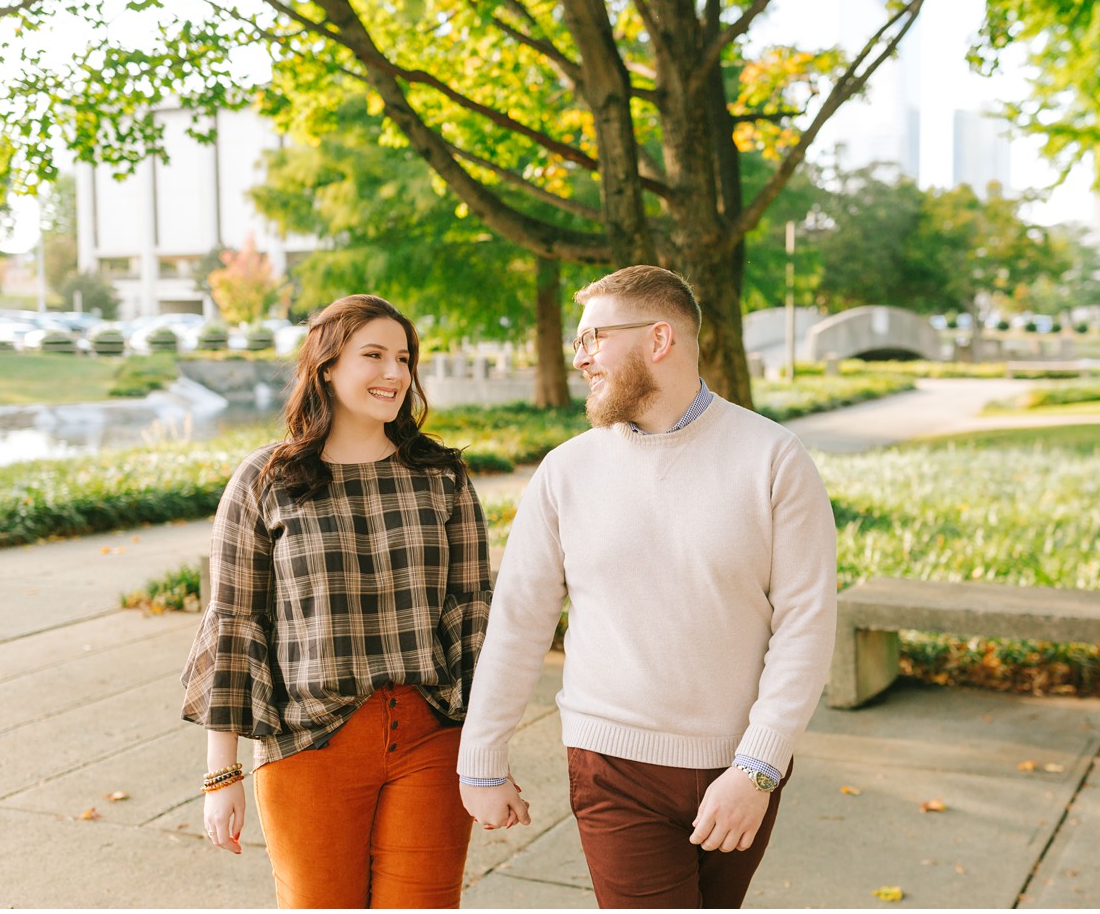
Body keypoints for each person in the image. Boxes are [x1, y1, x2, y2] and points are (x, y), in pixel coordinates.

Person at [457, 266, 837, 908]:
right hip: (612, 766)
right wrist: (482, 758)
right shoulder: (565, 471)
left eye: (593, 339)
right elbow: (518, 622)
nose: (579, 358)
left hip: (740, 766)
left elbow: (806, 623)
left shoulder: (774, 459)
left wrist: (757, 769)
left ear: (659, 339)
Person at [180, 294, 494, 909]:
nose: (395, 374)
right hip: (307, 746)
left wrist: (489, 751)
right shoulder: (264, 479)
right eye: (372, 355)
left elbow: (474, 615)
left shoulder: (443, 476)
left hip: (432, 740)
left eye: (403, 358)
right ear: (326, 366)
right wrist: (222, 774)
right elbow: (235, 625)